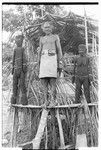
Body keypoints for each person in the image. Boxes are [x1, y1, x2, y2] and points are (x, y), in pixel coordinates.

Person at [37, 21, 63, 107]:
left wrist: (60, 62)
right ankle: (46, 101)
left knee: (52, 81)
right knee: (44, 81)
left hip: (52, 60)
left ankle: (53, 101)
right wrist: (38, 63)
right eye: (45, 27)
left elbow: (59, 50)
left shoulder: (55, 37)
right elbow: (40, 51)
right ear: (43, 29)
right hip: (44, 61)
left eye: (48, 27)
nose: (47, 29)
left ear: (51, 28)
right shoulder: (42, 39)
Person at [11, 32, 28, 105]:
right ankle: (14, 98)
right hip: (16, 69)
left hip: (21, 70)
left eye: (20, 39)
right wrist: (13, 68)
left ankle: (24, 100)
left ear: (22, 40)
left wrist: (24, 67)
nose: (18, 40)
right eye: (17, 39)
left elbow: (24, 58)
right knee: (14, 84)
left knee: (22, 84)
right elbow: (13, 59)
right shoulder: (15, 49)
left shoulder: (22, 49)